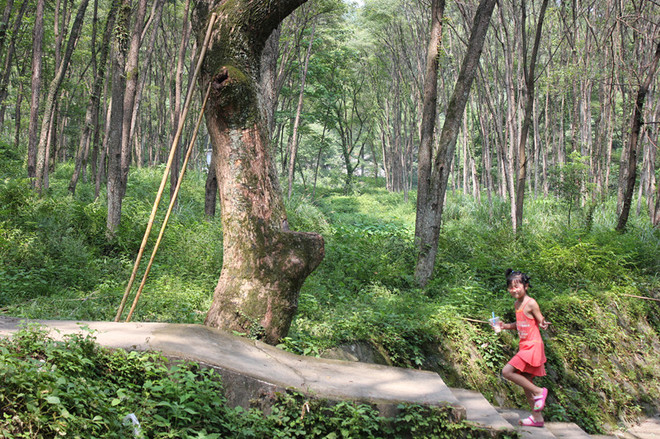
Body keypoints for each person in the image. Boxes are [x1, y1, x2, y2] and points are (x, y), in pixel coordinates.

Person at [493, 269, 549, 428]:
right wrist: (504, 326)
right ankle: (537, 418)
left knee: (507, 371)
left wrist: (544, 323)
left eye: (517, 286)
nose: (513, 290)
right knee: (526, 383)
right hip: (525, 346)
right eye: (511, 287)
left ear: (526, 286)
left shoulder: (531, 302)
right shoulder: (516, 304)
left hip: (533, 346)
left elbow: (540, 320)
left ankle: (539, 392)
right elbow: (520, 324)